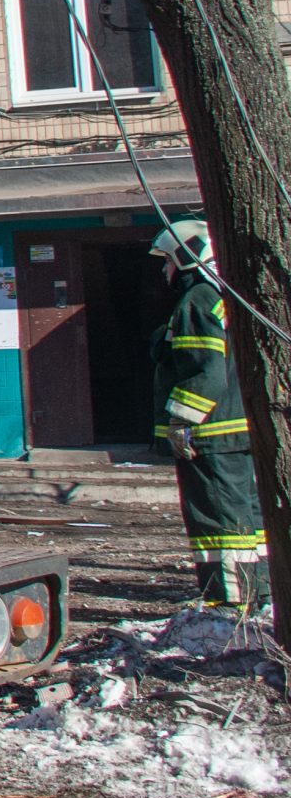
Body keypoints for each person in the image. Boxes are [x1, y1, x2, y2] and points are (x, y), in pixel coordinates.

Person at [149, 219, 270, 609]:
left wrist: (182, 421)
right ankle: (263, 590)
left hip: (213, 434)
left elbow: (206, 370)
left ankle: (231, 600)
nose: (164, 270)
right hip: (243, 429)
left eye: (167, 261)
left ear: (186, 257)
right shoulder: (230, 296)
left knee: (219, 521)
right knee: (250, 517)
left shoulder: (196, 301)